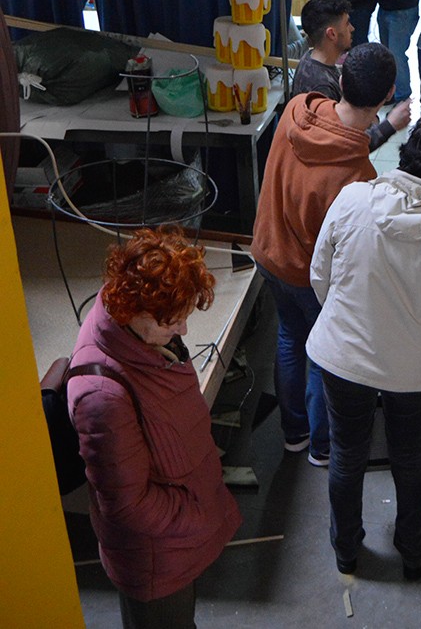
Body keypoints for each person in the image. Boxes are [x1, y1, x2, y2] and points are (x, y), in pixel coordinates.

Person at [306, 114, 421, 578]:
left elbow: (320, 276)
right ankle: (414, 551)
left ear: (405, 154)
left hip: (340, 356)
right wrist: (415, 340)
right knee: (409, 457)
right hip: (412, 368)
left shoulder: (353, 198)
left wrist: (348, 318)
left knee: (347, 454)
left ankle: (346, 549)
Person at [67, 226, 241, 629]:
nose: (182, 331)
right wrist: (198, 514)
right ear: (133, 310)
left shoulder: (139, 336)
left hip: (177, 539)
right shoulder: (101, 395)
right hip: (156, 557)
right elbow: (129, 505)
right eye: (171, 322)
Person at [251, 42, 396, 466]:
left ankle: (294, 433)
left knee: (288, 339)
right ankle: (321, 446)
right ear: (387, 95)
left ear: (341, 77)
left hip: (267, 251)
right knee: (320, 355)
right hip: (304, 274)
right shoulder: (356, 174)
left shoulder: (299, 108)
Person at [291, 0, 411, 148]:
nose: (352, 28)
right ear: (332, 34)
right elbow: (344, 148)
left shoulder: (311, 59)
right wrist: (391, 125)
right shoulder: (321, 88)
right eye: (347, 23)